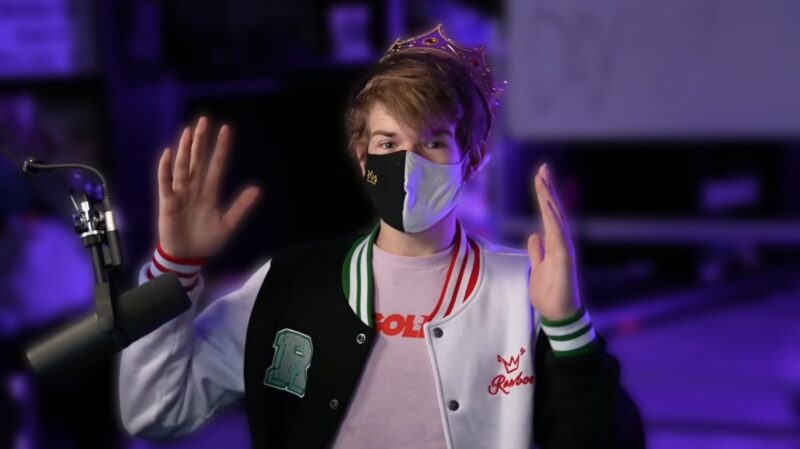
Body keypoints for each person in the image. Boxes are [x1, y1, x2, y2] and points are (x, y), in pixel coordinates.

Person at [118, 23, 645, 449]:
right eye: (389, 143)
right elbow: (155, 409)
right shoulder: (288, 286)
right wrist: (174, 269)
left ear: (472, 158)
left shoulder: (523, 290)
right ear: (362, 156)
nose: (408, 166)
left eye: (433, 142)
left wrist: (567, 326)